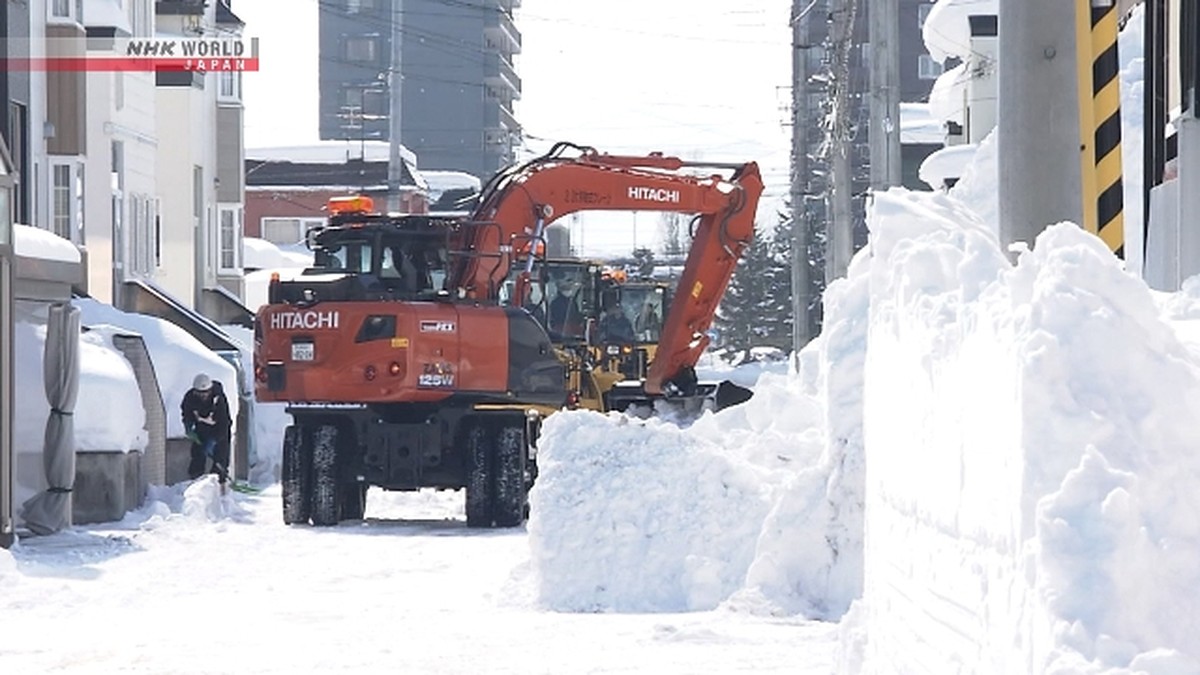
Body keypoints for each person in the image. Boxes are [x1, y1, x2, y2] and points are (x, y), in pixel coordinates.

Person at [181, 373, 233, 484]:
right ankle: (195, 483)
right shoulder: (190, 398)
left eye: (205, 393)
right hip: (201, 430)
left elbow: (225, 422)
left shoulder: (219, 399)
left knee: (220, 460)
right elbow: (186, 414)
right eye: (200, 394)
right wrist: (188, 426)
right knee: (198, 456)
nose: (203, 397)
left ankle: (220, 485)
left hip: (219, 431)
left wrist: (214, 440)